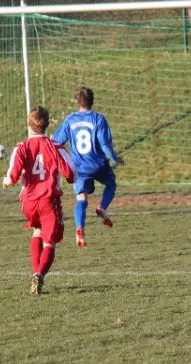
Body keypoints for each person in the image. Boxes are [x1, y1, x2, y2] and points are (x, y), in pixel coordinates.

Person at [3, 106, 76, 296]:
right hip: (48, 201)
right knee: (49, 243)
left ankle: (35, 274)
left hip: (28, 202)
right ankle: (39, 274)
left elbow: (11, 177)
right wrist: (70, 179)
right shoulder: (55, 146)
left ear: (29, 124)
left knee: (37, 231)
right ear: (47, 124)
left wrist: (6, 182)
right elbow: (71, 172)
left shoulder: (21, 147)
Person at [52, 87, 124, 248]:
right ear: (92, 101)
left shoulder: (70, 120)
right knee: (111, 184)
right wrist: (115, 158)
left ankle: (80, 229)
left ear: (77, 102)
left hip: (79, 168)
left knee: (81, 199)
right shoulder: (98, 119)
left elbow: (56, 142)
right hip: (98, 164)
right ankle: (102, 207)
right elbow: (105, 145)